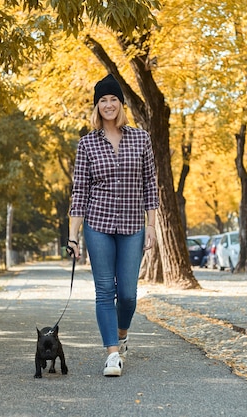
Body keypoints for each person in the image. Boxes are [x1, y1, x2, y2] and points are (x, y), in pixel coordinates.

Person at [67, 74, 159, 377]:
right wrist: (73, 236)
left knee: (129, 293)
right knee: (105, 290)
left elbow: (150, 185)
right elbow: (79, 191)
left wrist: (151, 226)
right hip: (99, 225)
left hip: (133, 224)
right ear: (97, 106)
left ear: (121, 105)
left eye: (113, 100)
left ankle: (121, 333)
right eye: (102, 100)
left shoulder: (141, 138)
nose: (108, 104)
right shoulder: (87, 144)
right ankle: (112, 355)